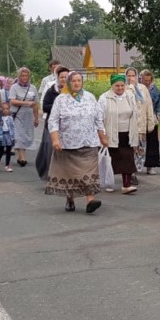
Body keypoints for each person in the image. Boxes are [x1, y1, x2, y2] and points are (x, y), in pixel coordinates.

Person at [47, 71, 107, 214]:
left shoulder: (90, 97)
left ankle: (90, 200)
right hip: (67, 144)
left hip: (89, 142)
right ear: (68, 82)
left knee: (88, 173)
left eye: (79, 80)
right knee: (70, 175)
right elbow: (53, 120)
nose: (76, 83)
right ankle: (70, 199)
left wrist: (103, 136)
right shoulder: (61, 99)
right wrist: (55, 139)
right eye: (73, 80)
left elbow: (98, 119)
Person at [98, 73, 140, 194]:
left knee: (127, 157)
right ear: (112, 86)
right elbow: (99, 117)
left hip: (127, 132)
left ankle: (126, 184)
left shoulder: (130, 96)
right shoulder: (104, 98)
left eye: (122, 85)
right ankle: (109, 183)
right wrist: (102, 134)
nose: (120, 88)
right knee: (112, 159)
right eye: (117, 86)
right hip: (111, 133)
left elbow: (135, 113)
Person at [37, 66, 70, 180]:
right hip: (53, 126)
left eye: (66, 77)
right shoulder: (52, 90)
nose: (64, 79)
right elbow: (45, 107)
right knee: (51, 151)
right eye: (61, 77)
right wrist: (59, 106)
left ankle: (66, 175)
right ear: (58, 78)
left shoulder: (75, 92)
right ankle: (51, 175)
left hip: (69, 128)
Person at [126, 67, 159, 174]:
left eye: (133, 76)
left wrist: (150, 122)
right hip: (130, 126)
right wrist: (131, 87)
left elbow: (149, 105)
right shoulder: (124, 88)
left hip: (141, 125)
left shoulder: (143, 88)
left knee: (140, 149)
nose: (131, 78)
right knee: (131, 149)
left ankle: (138, 167)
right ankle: (131, 172)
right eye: (129, 76)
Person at [8, 67, 39, 167]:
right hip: (17, 114)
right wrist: (25, 102)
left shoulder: (33, 88)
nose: (24, 77)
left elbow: (36, 104)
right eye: (22, 75)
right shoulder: (14, 87)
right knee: (19, 135)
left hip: (29, 116)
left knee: (26, 136)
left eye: (26, 75)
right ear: (19, 76)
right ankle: (22, 157)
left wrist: (36, 117)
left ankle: (20, 154)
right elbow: (12, 101)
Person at [139, 69, 160, 174]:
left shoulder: (154, 89)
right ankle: (136, 165)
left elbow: (157, 103)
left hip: (151, 117)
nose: (147, 82)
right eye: (145, 80)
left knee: (152, 142)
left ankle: (151, 165)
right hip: (139, 118)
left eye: (149, 80)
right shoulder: (137, 89)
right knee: (138, 142)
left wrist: (158, 114)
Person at [0, 102, 16, 172]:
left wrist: (13, 136)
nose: (5, 110)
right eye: (3, 109)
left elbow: (13, 127)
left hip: (9, 135)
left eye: (7, 109)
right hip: (1, 135)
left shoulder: (10, 118)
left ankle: (7, 165)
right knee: (1, 150)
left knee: (8, 150)